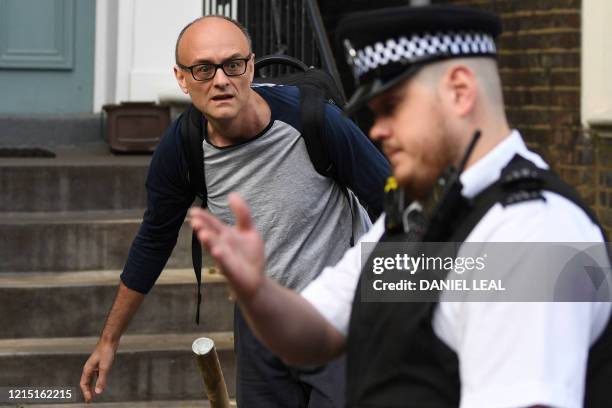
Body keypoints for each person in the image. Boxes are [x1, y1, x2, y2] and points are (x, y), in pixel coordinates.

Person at [188, 5, 612, 408]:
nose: (378, 130)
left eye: (392, 107)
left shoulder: (533, 233)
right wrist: (257, 290)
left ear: (461, 92)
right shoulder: (423, 217)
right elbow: (316, 330)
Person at [79, 15, 390, 407]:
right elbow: (153, 240)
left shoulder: (315, 121)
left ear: (252, 66)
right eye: (204, 69)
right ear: (181, 78)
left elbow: (399, 211)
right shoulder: (181, 149)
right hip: (261, 324)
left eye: (233, 65)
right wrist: (109, 340)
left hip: (338, 315)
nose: (221, 80)